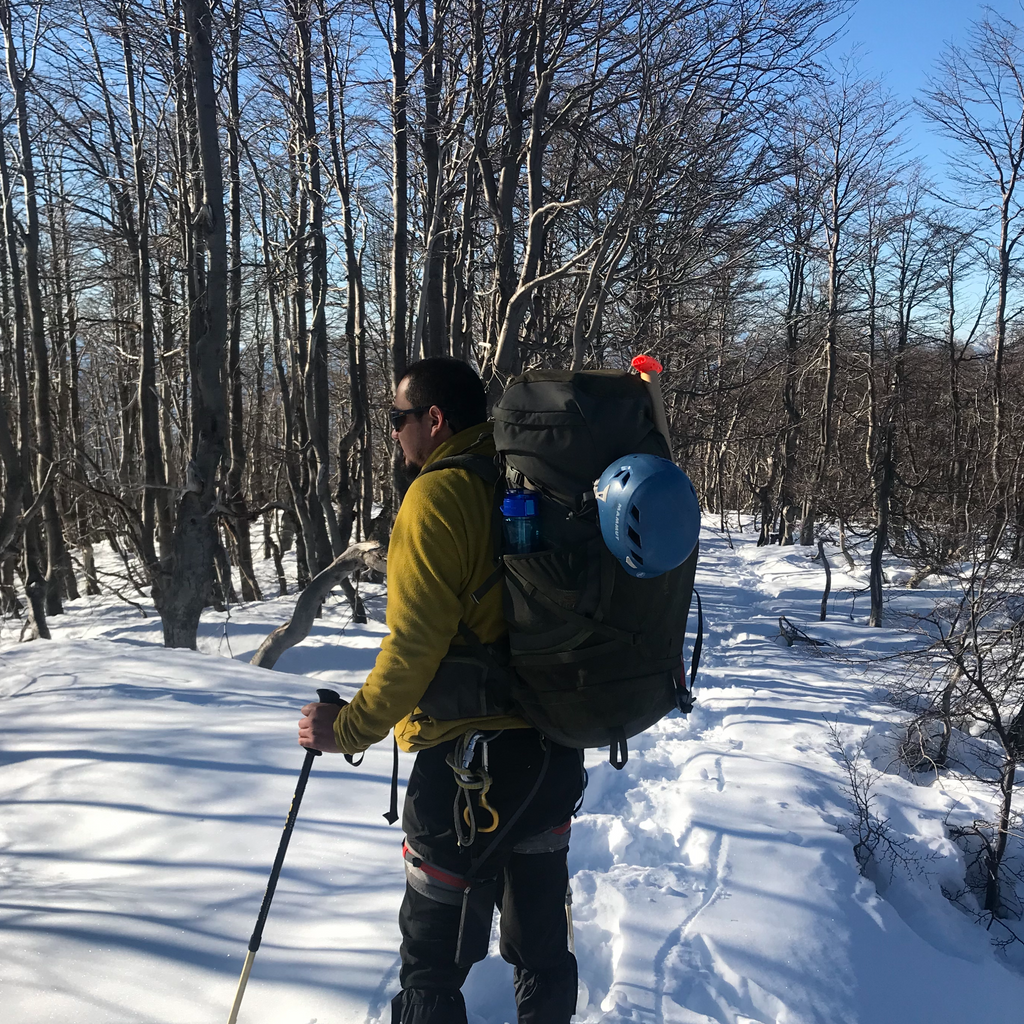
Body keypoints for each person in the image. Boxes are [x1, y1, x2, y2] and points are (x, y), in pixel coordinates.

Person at [298, 357, 584, 1024]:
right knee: (542, 952)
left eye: (397, 418)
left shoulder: (436, 496)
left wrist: (348, 728)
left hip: (464, 774)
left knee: (431, 966)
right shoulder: (530, 480)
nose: (394, 432)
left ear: (434, 419)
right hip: (549, 753)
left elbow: (413, 649)